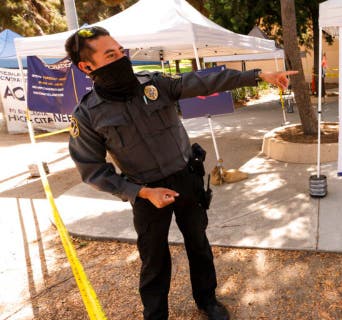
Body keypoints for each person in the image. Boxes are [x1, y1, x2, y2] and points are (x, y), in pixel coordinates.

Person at [65, 26, 296, 320]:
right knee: (154, 259)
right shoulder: (87, 116)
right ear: (87, 67)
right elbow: (92, 170)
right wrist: (141, 193)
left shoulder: (155, 85)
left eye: (121, 50)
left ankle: (207, 301)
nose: (122, 57)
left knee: (198, 243)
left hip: (186, 179)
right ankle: (156, 314)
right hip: (146, 193)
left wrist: (257, 75)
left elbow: (203, 80)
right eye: (111, 54)